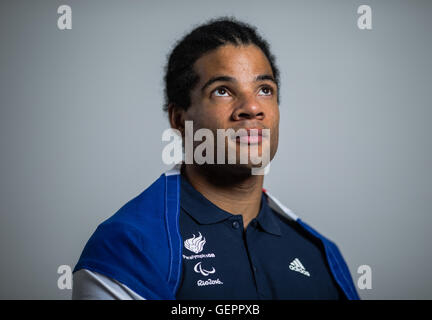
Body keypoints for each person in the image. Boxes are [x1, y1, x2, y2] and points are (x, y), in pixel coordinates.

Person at [72, 17, 359, 300]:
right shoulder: (128, 247)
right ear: (179, 119)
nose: (252, 108)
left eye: (264, 90)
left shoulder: (322, 254)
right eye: (222, 91)